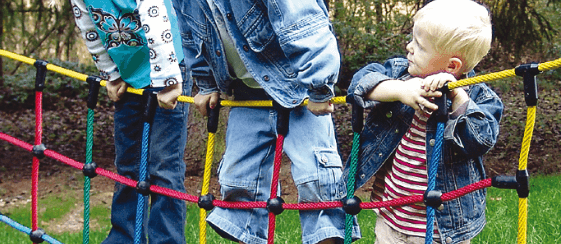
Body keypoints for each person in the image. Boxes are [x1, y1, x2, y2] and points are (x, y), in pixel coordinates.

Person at [174, 0, 359, 243]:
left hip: (299, 88)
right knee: (238, 182)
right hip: (246, 92)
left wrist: (319, 84)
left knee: (317, 179)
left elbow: (303, 21)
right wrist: (206, 83)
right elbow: (190, 35)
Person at [346, 0, 503, 243]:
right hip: (391, 216)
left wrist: (456, 94)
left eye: (419, 45)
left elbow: (480, 140)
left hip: (443, 226)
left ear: (452, 66)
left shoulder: (478, 96)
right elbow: (359, 83)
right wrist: (400, 91)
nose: (409, 47)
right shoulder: (401, 74)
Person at [71, 0, 190, 243]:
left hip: (170, 70)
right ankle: (125, 236)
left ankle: (167, 239)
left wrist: (167, 80)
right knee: (128, 163)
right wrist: (112, 74)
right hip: (130, 76)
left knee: (163, 166)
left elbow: (155, 14)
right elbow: (88, 27)